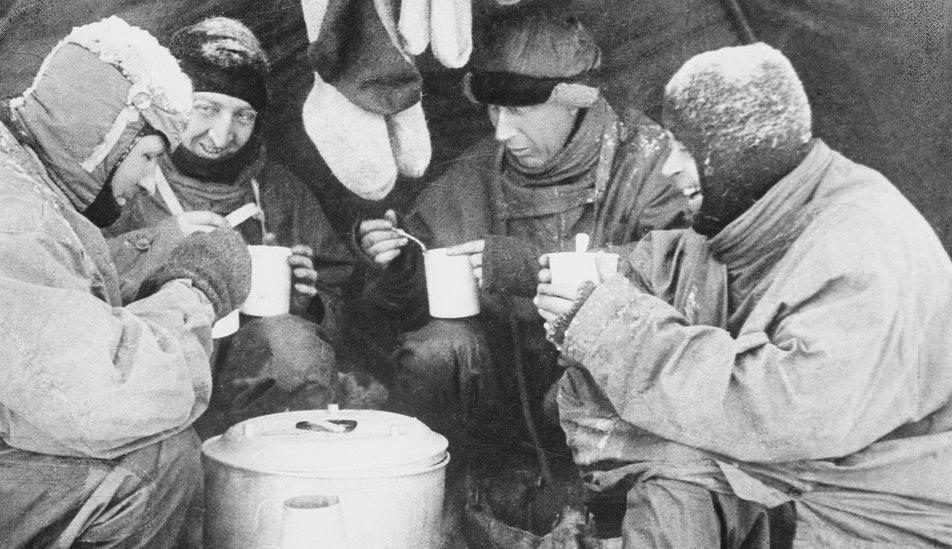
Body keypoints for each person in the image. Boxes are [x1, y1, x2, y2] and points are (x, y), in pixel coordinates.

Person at [535, 42, 952, 546]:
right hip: (800, 475)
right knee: (670, 480)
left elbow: (782, 414)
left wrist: (611, 329)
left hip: (873, 506)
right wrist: (584, 277)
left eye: (684, 150)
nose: (668, 168)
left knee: (668, 460)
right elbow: (675, 264)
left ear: (735, 156)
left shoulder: (863, 242)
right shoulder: (772, 206)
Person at [0, 16, 252, 547]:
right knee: (152, 466)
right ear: (106, 134)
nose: (149, 177)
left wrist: (140, 259)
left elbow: (51, 292)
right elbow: (114, 400)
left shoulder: (14, 172)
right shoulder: (8, 211)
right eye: (148, 155)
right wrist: (194, 287)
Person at [355, 14, 688, 443]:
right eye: (493, 109)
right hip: (499, 388)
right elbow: (406, 312)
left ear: (575, 100)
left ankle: (601, 499)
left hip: (606, 389)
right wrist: (400, 267)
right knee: (436, 351)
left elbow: (681, 277)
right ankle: (465, 479)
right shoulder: (474, 173)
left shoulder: (653, 163)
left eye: (518, 109)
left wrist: (536, 269)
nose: (501, 131)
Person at [106, 17, 367, 437]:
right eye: (205, 108)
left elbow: (342, 291)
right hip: (152, 369)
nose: (222, 135)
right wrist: (157, 243)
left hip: (250, 380)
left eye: (243, 116)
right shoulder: (126, 177)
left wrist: (308, 300)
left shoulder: (277, 189)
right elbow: (73, 282)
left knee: (294, 345)